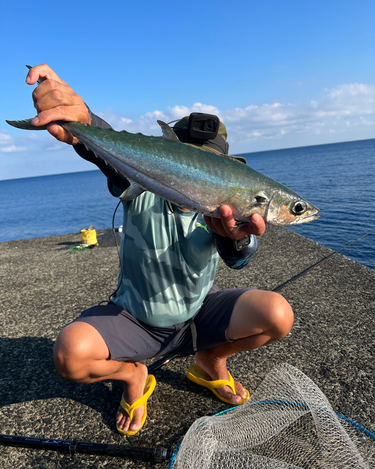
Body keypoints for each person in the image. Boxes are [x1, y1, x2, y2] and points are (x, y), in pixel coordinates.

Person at [27, 64, 294, 436]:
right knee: (70, 354)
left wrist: (233, 237)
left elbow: (239, 257)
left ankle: (209, 360)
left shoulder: (230, 208)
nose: (196, 176)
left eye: (209, 169)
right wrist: (85, 119)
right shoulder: (138, 183)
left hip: (199, 313)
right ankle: (133, 375)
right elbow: (105, 152)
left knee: (278, 314)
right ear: (166, 158)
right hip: (136, 319)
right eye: (188, 162)